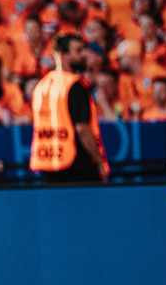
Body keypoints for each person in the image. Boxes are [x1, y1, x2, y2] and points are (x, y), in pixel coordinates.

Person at [30, 34, 110, 183]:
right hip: (75, 164)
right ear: (63, 55)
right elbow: (82, 129)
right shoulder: (74, 85)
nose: (84, 55)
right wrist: (99, 160)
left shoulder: (42, 85)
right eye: (78, 51)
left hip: (47, 163)